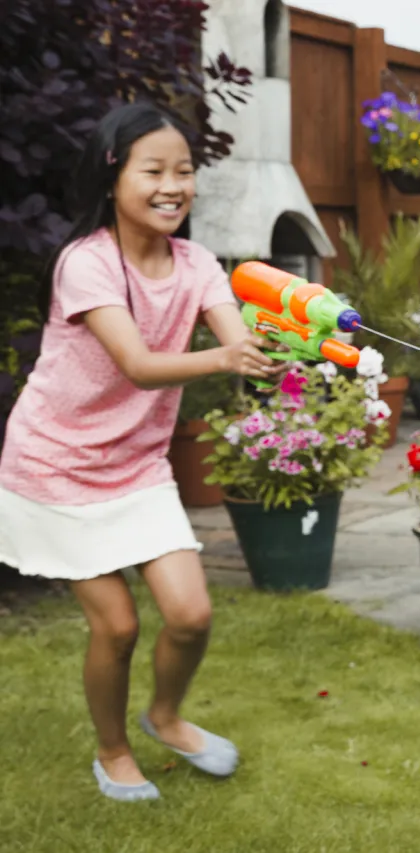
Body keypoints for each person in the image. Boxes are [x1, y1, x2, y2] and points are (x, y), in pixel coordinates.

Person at [0, 101, 289, 802]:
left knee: (190, 614)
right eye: (153, 170)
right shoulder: (86, 263)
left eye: (184, 171)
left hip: (135, 466)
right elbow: (135, 361)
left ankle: (164, 715)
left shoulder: (195, 264)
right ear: (112, 179)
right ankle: (112, 748)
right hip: (54, 466)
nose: (173, 185)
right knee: (119, 624)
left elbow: (237, 335)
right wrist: (227, 357)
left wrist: (273, 348)